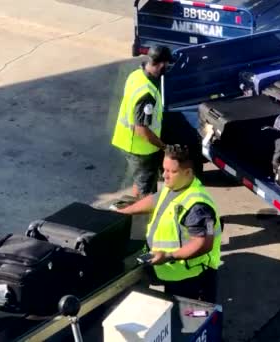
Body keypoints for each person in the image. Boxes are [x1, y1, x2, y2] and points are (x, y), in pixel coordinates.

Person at [117, 144, 221, 303]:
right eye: (164, 169)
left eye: (172, 171)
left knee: (193, 317)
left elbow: (204, 244)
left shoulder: (198, 208)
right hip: (170, 271)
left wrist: (168, 256)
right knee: (174, 313)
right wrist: (125, 211)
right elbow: (155, 200)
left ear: (188, 172)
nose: (165, 175)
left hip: (190, 277)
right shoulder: (174, 185)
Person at [111, 45, 173, 198]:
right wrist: (164, 147)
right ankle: (143, 218)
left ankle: (135, 204)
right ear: (161, 64)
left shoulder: (136, 75)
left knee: (140, 181)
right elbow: (141, 129)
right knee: (147, 191)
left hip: (125, 139)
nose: (168, 68)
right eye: (167, 65)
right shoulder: (146, 93)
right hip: (140, 149)